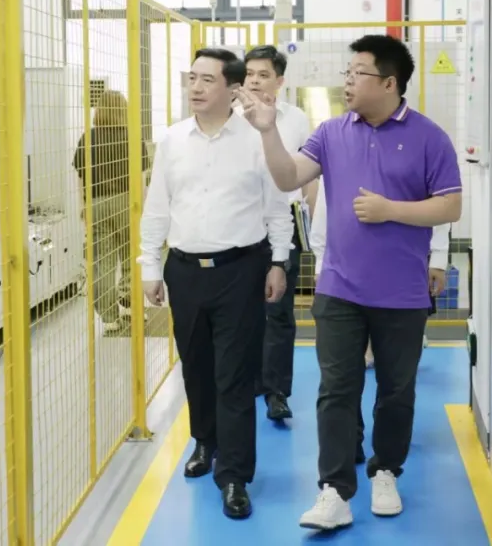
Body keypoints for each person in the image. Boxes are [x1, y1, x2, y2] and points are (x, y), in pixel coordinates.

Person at [237, 34, 462, 531]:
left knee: (396, 390)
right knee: (336, 389)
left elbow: (450, 205)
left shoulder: (430, 138)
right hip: (338, 288)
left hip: (402, 294)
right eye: (347, 71)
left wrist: (391, 211)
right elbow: (288, 177)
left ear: (389, 82)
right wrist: (268, 132)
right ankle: (334, 490)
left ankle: (386, 470)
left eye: (357, 72)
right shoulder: (332, 131)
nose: (347, 79)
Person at [138, 48, 293, 520]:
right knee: (197, 367)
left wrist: (279, 262)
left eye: (207, 80)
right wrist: (149, 265)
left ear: (232, 88)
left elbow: (275, 207)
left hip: (240, 270)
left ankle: (235, 476)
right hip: (184, 271)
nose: (196, 87)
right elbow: (157, 208)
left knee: (234, 374)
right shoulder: (171, 141)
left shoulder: (257, 139)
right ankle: (205, 442)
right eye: (191, 78)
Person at [309, 176, 451, 465]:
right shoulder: (337, 137)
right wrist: (320, 262)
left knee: (397, 382)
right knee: (341, 377)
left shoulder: (422, 139)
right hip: (344, 276)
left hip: (402, 273)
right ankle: (348, 446)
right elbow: (326, 205)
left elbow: (441, 201)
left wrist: (437, 256)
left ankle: (386, 466)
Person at [238, 45, 315, 422]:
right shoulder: (229, 117)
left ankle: (276, 392)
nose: (253, 80)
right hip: (240, 226)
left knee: (279, 311)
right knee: (241, 312)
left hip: (284, 224)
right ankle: (249, 381)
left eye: (263, 74)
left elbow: (308, 174)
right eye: (249, 73)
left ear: (280, 81)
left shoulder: (297, 119)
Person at [72, 90, 149, 333]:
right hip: (127, 202)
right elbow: (141, 178)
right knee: (132, 256)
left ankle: (109, 318)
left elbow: (81, 177)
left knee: (102, 261)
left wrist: (83, 205)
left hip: (96, 202)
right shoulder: (131, 137)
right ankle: (130, 304)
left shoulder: (88, 138)